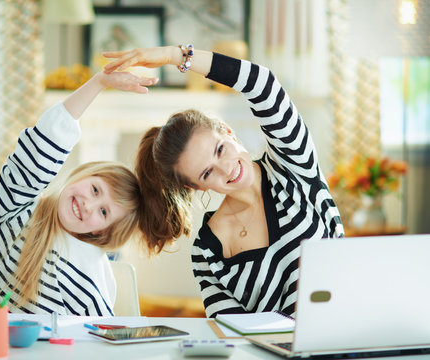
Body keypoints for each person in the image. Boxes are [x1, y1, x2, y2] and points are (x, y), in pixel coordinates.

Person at [104, 45, 344, 318]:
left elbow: (262, 84)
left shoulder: (291, 165)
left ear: (228, 132)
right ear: (195, 187)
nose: (226, 169)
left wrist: (175, 56)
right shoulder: (207, 251)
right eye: (207, 173)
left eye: (220, 149)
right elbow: (230, 334)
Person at [0, 71, 158, 315]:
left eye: (103, 212)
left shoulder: (89, 279)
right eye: (95, 189)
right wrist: (100, 82)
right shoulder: (17, 209)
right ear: (82, 175)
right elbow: (41, 146)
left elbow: (96, 343)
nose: (88, 205)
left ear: (101, 231)